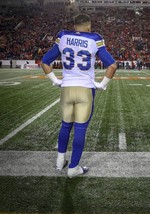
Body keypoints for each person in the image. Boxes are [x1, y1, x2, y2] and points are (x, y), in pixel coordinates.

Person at [41, 13, 117, 178]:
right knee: (80, 128)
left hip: (67, 89)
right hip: (85, 89)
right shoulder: (94, 38)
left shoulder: (63, 36)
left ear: (74, 26)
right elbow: (112, 66)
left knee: (65, 126)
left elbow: (45, 62)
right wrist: (101, 85)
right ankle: (73, 168)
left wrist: (55, 81)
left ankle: (60, 162)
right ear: (89, 26)